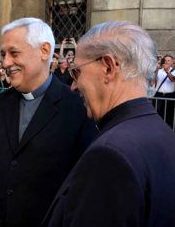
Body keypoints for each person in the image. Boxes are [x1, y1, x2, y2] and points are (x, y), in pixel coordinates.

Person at [0, 17, 97, 227]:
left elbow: (86, 183)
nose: (6, 62)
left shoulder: (77, 109)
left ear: (44, 51)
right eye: (3, 55)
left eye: (14, 53)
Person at [42, 21, 175, 227]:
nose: (74, 86)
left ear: (108, 67)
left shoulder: (110, 155)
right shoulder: (163, 133)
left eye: (77, 73)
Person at [153, 54, 175, 128]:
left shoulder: (174, 71)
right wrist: (157, 67)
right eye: (165, 60)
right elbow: (153, 81)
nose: (166, 62)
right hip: (159, 95)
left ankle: (168, 129)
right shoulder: (159, 70)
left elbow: (172, 79)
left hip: (170, 96)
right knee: (157, 114)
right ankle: (156, 128)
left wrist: (167, 71)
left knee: (169, 114)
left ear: (172, 62)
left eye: (168, 60)